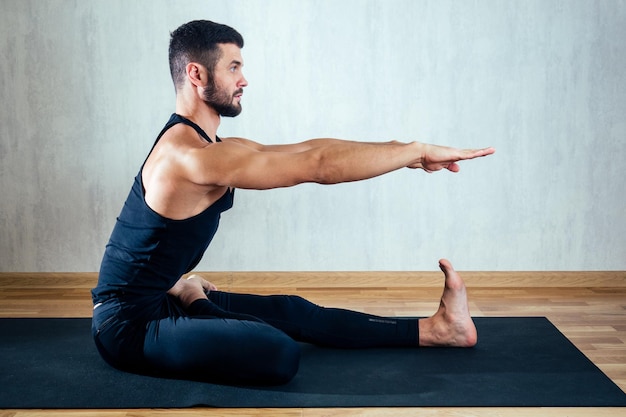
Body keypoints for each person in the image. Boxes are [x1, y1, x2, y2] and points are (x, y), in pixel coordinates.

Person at [91, 19, 495, 385]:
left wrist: (408, 151)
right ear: (196, 74)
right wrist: (416, 151)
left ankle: (440, 330)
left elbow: (311, 148)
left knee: (294, 311)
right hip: (128, 328)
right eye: (233, 67)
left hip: (156, 298)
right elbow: (316, 165)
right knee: (278, 351)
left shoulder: (212, 146)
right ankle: (195, 301)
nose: (244, 79)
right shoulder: (189, 157)